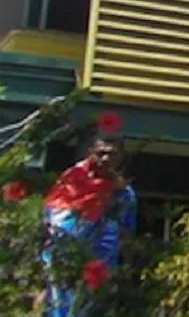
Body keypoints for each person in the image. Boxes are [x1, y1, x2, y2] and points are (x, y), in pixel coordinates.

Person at [42, 133, 137, 316]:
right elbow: (49, 218)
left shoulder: (124, 194)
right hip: (63, 260)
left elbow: (127, 233)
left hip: (99, 267)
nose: (106, 159)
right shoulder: (71, 181)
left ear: (121, 157)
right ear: (91, 152)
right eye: (101, 153)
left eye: (112, 154)